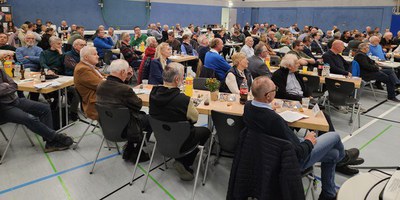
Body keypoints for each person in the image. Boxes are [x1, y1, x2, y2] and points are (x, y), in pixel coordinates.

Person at [244, 76, 359, 200]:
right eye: (274, 90)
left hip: (267, 155)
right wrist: (309, 141)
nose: (276, 91)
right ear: (267, 96)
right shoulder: (274, 120)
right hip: (294, 159)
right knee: (335, 136)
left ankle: (328, 193)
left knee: (333, 155)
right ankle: (344, 158)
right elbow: (298, 152)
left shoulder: (249, 107)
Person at [149, 62, 211, 181]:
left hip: (162, 137)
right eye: (183, 76)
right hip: (182, 138)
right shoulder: (183, 99)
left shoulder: (153, 93)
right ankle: (184, 161)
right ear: (177, 79)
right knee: (205, 131)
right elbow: (194, 118)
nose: (183, 79)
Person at [0, 68, 73, 152]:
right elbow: (9, 86)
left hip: (15, 100)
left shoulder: (1, 70)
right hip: (3, 108)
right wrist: (5, 85)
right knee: (29, 118)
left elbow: (14, 85)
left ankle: (50, 143)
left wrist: (5, 87)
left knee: (44, 108)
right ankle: (56, 137)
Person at [96, 59, 151, 162]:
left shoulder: (101, 85)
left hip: (108, 125)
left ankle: (130, 148)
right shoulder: (125, 90)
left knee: (139, 116)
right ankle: (137, 150)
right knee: (150, 119)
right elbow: (138, 105)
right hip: (127, 128)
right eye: (126, 71)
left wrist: (126, 79)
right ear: (122, 72)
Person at [74, 46, 104, 120]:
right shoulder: (83, 69)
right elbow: (101, 85)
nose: (98, 56)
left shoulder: (89, 66)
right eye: (95, 54)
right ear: (86, 57)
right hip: (96, 104)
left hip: (101, 98)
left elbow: (102, 78)